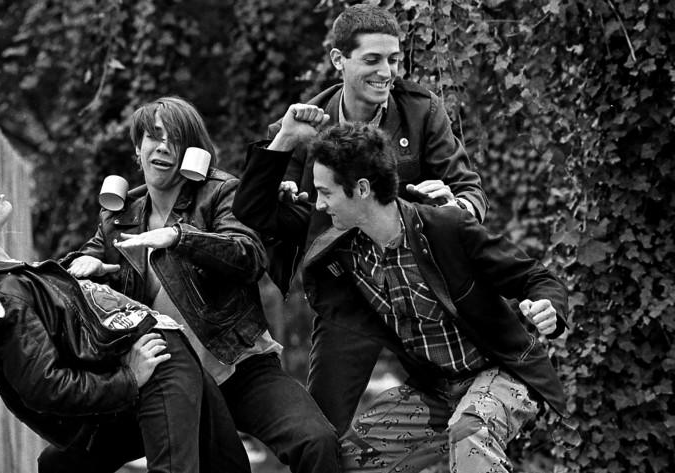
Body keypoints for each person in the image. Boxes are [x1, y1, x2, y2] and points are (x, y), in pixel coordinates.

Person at [238, 115, 570, 472]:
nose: (318, 203)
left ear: (362, 189)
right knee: (345, 461)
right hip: (435, 389)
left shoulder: (446, 228)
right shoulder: (340, 248)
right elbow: (252, 210)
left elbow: (535, 277)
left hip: (500, 373)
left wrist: (549, 307)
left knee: (469, 430)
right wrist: (284, 139)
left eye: (326, 192)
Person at [0, 170, 251, 473]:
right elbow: (47, 386)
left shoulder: (11, 278)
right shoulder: (1, 298)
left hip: (169, 361)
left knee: (229, 465)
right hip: (156, 370)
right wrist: (129, 378)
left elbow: (72, 329)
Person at [64, 96, 341, 473]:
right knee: (61, 461)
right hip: (168, 379)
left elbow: (248, 256)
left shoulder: (221, 192)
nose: (163, 147)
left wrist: (180, 237)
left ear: (192, 152)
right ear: (137, 148)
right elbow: (83, 260)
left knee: (316, 441)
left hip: (236, 364)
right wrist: (84, 264)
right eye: (153, 137)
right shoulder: (119, 215)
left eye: (175, 139)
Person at [234, 3, 488, 293]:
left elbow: (470, 190)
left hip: (423, 277)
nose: (385, 72)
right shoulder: (297, 126)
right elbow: (254, 212)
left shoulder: (423, 111)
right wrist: (283, 144)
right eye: (372, 60)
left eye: (392, 60)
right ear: (338, 60)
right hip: (340, 291)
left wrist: (456, 208)